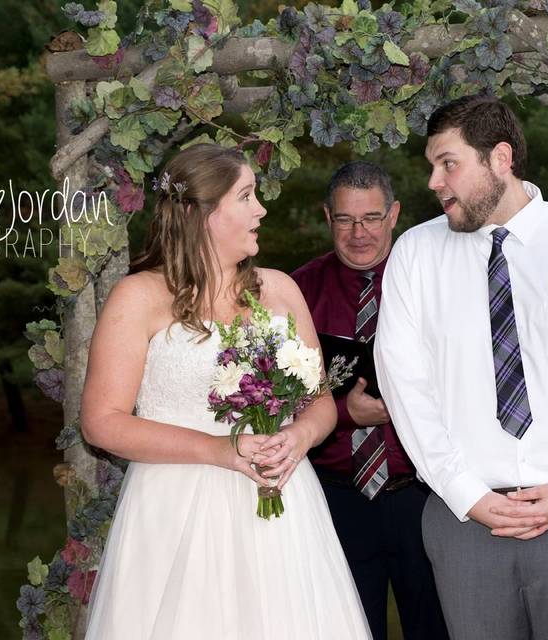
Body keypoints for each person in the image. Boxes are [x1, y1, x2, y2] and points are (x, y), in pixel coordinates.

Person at [375, 96, 548, 640]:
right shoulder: (415, 253)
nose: (435, 182)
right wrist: (467, 495)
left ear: (500, 158)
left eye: (448, 163)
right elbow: (404, 387)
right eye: (431, 167)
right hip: (465, 525)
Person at [80, 144, 370, 639]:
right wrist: (220, 449)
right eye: (247, 196)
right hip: (174, 509)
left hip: (281, 504)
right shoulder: (140, 297)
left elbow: (318, 399)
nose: (261, 209)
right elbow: (102, 422)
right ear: (203, 213)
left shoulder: (280, 290)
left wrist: (298, 437)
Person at [291, 161, 448, 640]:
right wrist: (343, 415)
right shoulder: (298, 291)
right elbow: (273, 402)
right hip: (336, 497)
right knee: (347, 628)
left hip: (423, 496)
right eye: (344, 219)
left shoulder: (434, 283)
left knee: (437, 628)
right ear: (327, 217)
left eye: (372, 218)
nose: (359, 233)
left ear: (395, 213)